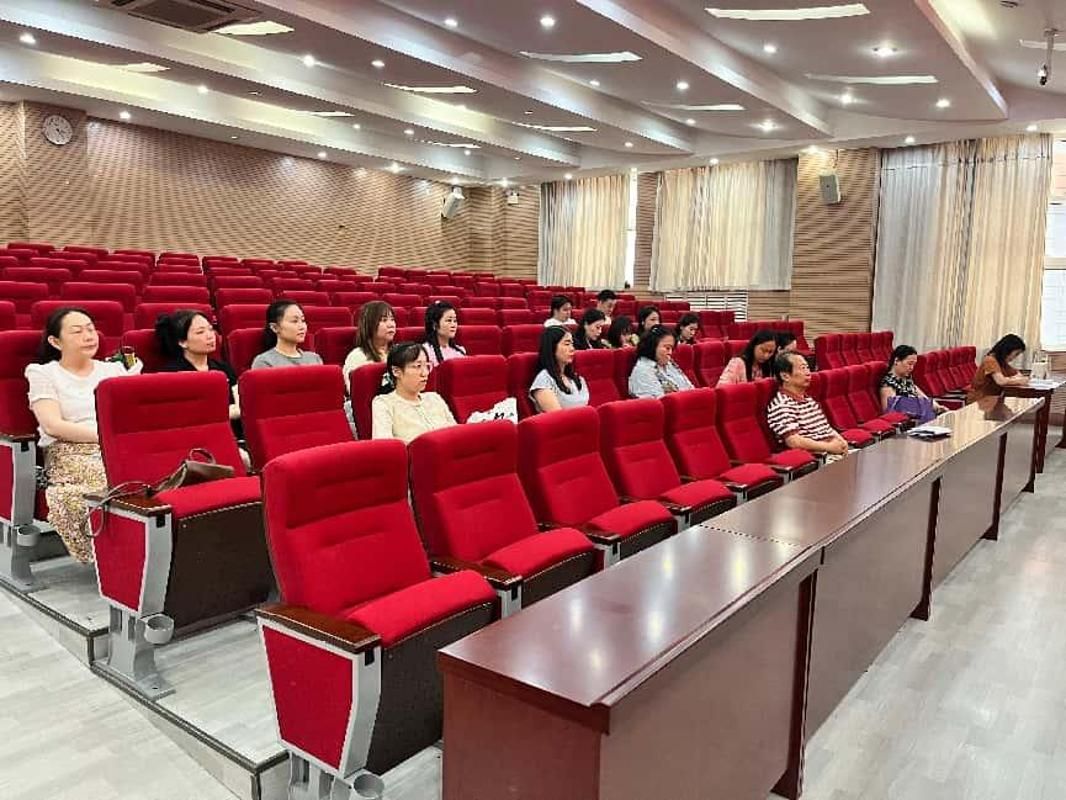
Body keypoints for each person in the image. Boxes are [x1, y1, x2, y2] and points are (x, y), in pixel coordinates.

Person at [25, 307, 142, 564]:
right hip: (69, 451)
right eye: (77, 331)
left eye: (91, 329)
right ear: (56, 341)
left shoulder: (113, 371)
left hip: (116, 446)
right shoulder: (43, 373)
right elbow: (53, 425)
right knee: (116, 482)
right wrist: (105, 438)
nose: (89, 336)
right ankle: (121, 558)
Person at [156, 310, 240, 421]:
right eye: (200, 332)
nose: (210, 336)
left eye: (211, 329)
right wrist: (228, 412)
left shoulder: (224, 368)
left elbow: (241, 404)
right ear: (182, 342)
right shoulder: (172, 375)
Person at [371, 342, 456, 444]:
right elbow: (384, 446)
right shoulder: (384, 403)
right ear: (396, 371)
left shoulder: (434, 398)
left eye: (427, 366)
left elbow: (456, 434)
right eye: (418, 366)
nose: (425, 373)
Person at [767, 352, 849, 457]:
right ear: (785, 376)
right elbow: (794, 442)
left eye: (807, 368)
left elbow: (826, 428)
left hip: (831, 450)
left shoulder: (808, 400)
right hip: (817, 458)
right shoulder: (781, 405)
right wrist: (829, 447)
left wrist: (841, 441)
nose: (808, 373)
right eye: (802, 368)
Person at [529, 326, 589, 413]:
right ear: (552, 347)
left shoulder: (575, 378)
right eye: (567, 344)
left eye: (572, 344)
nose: (572, 349)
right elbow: (559, 417)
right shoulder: (544, 380)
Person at [250, 300, 323, 370]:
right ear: (275, 327)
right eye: (294, 321)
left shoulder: (315, 359)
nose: (302, 327)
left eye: (303, 320)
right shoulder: (264, 362)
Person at [629, 325, 695, 399]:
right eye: (667, 348)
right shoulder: (643, 370)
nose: (670, 352)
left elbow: (690, 388)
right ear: (652, 346)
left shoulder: (669, 364)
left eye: (672, 349)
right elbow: (659, 402)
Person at [342, 300, 396, 390]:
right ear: (370, 325)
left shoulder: (400, 352)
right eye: (384, 320)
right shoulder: (357, 356)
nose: (391, 325)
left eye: (392, 319)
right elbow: (355, 392)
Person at [881, 345, 947, 413]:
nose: (912, 368)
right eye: (909, 364)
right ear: (896, 361)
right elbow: (891, 412)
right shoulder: (888, 385)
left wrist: (938, 407)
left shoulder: (907, 379)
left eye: (913, 365)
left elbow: (923, 398)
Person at [967, 334, 1029, 403]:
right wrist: (1018, 381)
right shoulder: (990, 360)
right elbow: (1001, 381)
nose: (1015, 357)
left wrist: (1014, 379)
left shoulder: (1002, 362)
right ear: (1008, 350)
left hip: (992, 400)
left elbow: (1018, 375)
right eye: (1016, 354)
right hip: (979, 400)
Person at [422, 301, 466, 369]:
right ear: (435, 325)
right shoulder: (425, 351)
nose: (453, 325)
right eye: (449, 320)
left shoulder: (460, 351)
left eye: (455, 321)